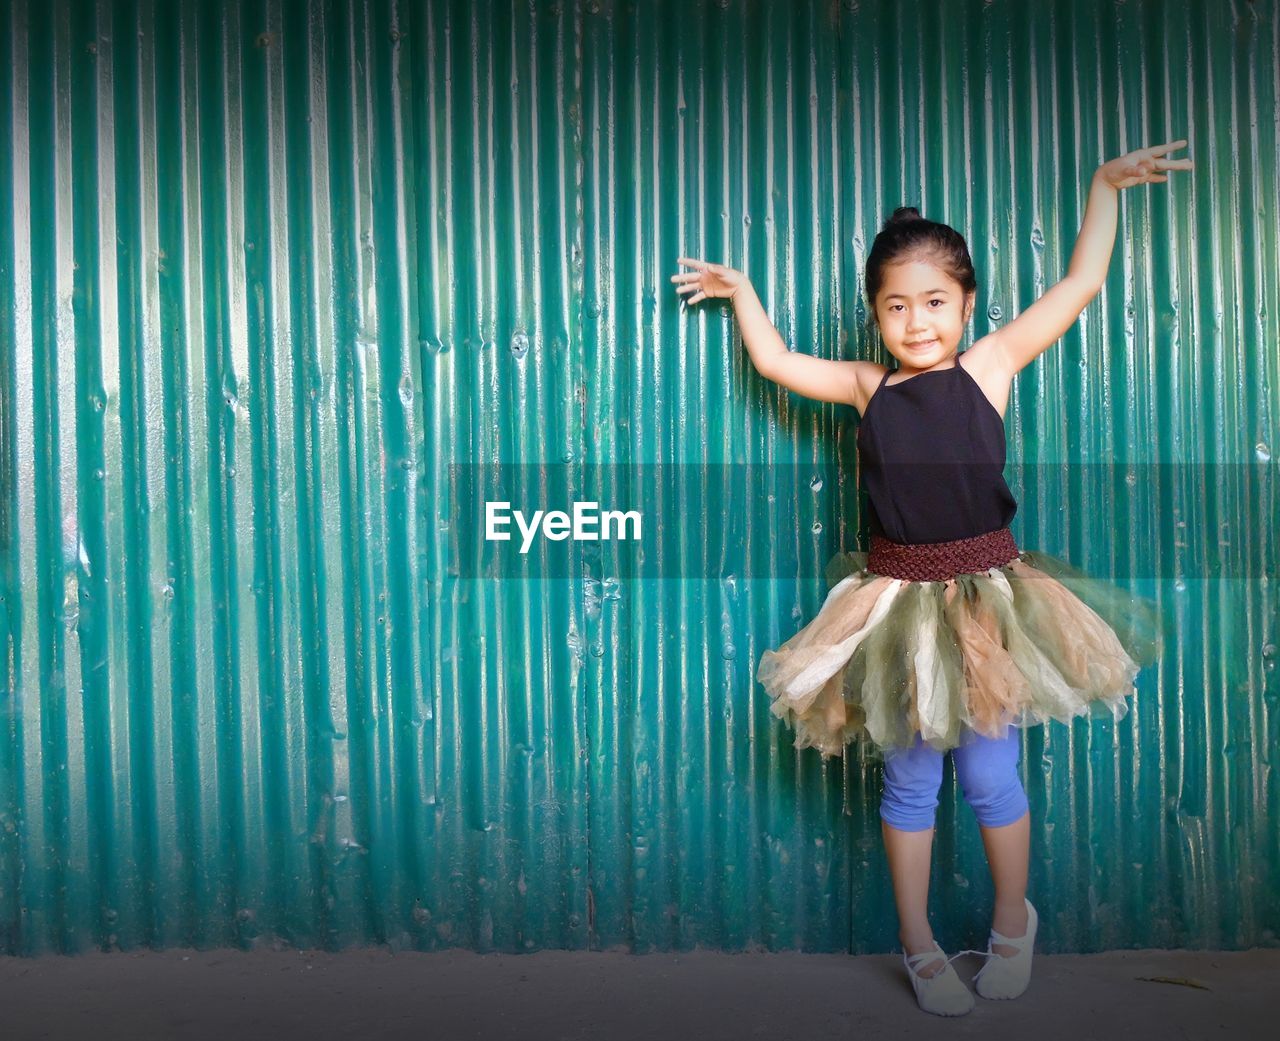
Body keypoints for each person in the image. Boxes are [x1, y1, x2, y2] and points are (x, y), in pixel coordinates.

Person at [670, 141, 1191, 1017]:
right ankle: (917, 942)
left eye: (936, 303)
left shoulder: (991, 365)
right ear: (874, 314)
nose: (917, 323)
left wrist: (1102, 187)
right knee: (911, 779)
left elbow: (1078, 287)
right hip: (898, 608)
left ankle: (1013, 923)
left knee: (991, 778)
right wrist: (744, 297)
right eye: (896, 306)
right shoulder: (869, 387)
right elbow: (775, 364)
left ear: (968, 303)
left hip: (989, 603)